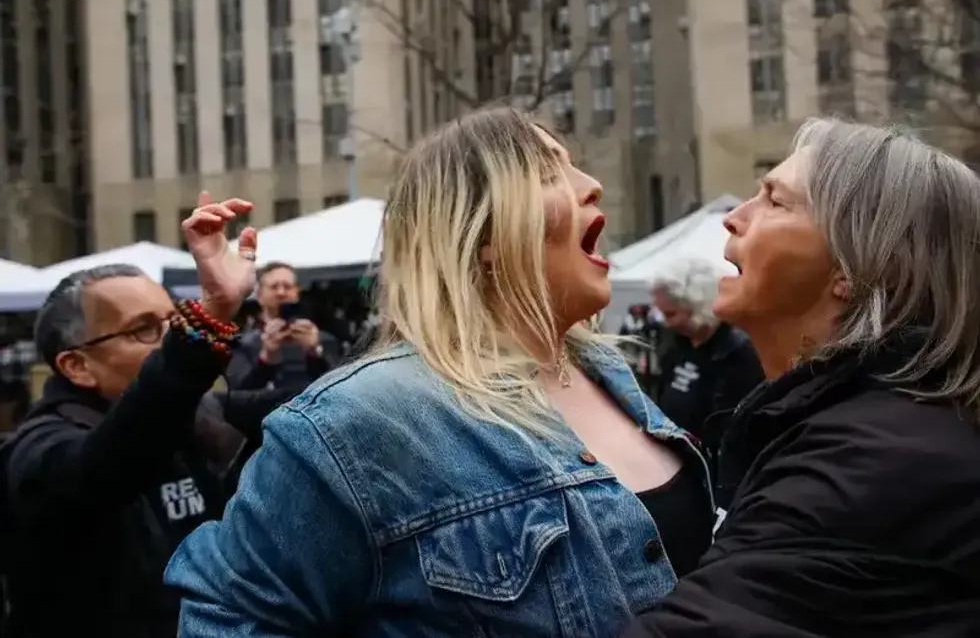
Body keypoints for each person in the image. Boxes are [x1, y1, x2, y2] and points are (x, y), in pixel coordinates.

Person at [165, 107, 715, 636]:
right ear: (482, 235)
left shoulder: (607, 371)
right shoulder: (362, 419)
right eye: (549, 173)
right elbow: (229, 616)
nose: (591, 185)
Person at [623, 118, 980, 637]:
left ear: (855, 269)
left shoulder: (873, 460)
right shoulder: (870, 423)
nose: (734, 218)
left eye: (774, 200)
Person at [0, 194, 264, 637]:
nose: (169, 338)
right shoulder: (39, 454)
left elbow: (308, 403)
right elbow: (116, 457)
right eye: (145, 329)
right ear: (77, 366)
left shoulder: (202, 416)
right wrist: (207, 320)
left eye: (173, 321)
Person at [650, 257, 764, 508]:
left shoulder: (738, 352)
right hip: (676, 468)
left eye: (672, 314)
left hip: (714, 479)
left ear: (698, 307)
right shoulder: (676, 345)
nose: (666, 322)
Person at [225, 261, 339, 390]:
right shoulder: (242, 345)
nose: (281, 292)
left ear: (297, 292)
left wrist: (315, 353)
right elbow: (237, 393)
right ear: (260, 295)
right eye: (274, 287)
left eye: (287, 286)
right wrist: (266, 360)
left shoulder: (324, 340)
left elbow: (338, 387)